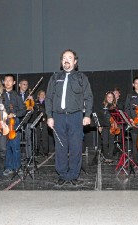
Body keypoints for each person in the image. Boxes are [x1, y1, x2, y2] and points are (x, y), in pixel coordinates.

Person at [46, 49, 93, 186]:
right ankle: (62, 174)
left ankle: (73, 175)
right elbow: (48, 98)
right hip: (58, 117)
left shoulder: (81, 78)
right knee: (60, 147)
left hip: (75, 117)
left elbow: (88, 97)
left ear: (75, 61)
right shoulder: (55, 77)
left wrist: (88, 115)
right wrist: (49, 116)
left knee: (75, 147)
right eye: (64, 58)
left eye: (70, 57)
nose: (66, 60)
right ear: (61, 62)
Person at [2, 74, 26, 176]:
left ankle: (17, 167)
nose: (8, 82)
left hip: (14, 123)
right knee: (6, 146)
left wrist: (14, 114)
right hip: (3, 123)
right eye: (6, 80)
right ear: (3, 82)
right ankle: (8, 167)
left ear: (14, 82)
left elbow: (23, 110)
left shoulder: (17, 96)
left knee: (15, 147)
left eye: (10, 80)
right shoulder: (0, 95)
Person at [125, 77, 138, 166]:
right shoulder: (130, 95)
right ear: (133, 84)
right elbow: (127, 108)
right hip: (133, 122)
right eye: (135, 83)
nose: (137, 84)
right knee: (135, 142)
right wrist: (130, 119)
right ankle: (135, 161)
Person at [98, 91, 117, 163]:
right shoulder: (103, 106)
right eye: (108, 97)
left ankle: (110, 157)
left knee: (111, 142)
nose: (109, 98)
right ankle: (106, 157)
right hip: (104, 126)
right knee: (105, 142)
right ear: (106, 98)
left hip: (112, 127)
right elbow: (100, 117)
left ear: (113, 98)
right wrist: (99, 126)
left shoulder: (115, 106)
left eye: (111, 97)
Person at [18, 79, 34, 160]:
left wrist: (31, 101)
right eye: (24, 84)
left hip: (27, 120)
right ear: (19, 85)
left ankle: (29, 157)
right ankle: (18, 157)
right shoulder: (15, 95)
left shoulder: (29, 95)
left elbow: (30, 109)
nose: (25, 86)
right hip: (18, 120)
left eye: (26, 84)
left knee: (28, 138)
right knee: (18, 139)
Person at [34, 90, 49, 157]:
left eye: (44, 94)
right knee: (37, 137)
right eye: (41, 94)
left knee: (45, 137)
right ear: (38, 95)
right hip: (37, 122)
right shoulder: (35, 103)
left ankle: (45, 152)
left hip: (44, 121)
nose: (43, 95)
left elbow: (48, 111)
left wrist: (45, 117)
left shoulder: (47, 103)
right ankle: (36, 151)